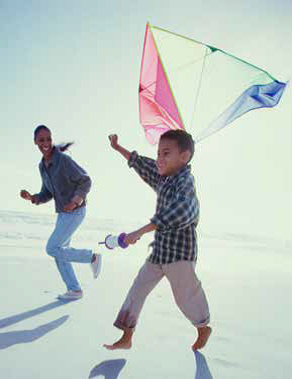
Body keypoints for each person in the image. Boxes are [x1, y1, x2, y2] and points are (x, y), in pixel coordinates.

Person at [104, 130, 211, 351]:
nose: (159, 159)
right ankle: (127, 335)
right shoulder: (164, 177)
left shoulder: (186, 183)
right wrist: (118, 148)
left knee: (185, 296)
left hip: (180, 253)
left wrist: (139, 232)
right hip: (160, 250)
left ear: (184, 156)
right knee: (138, 288)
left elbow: (179, 212)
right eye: (158, 153)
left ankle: (202, 327)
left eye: (166, 153)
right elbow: (142, 164)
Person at [20, 125, 102, 300]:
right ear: (35, 142)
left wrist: (75, 201)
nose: (46, 143)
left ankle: (92, 257)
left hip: (76, 211)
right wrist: (33, 198)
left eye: (48, 139)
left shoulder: (63, 160)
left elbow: (85, 181)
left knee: (52, 248)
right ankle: (74, 290)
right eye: (42, 140)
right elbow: (47, 193)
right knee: (59, 251)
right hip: (63, 214)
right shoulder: (42, 166)